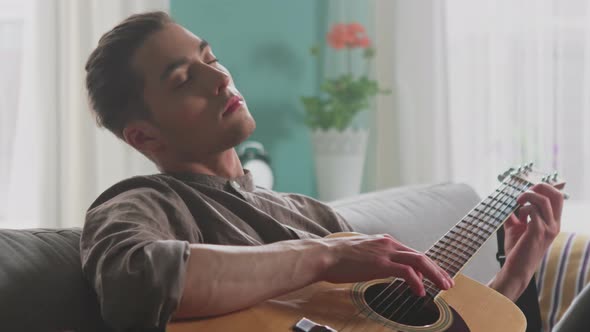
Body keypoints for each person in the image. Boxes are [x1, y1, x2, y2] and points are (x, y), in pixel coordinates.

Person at [81, 11, 565, 331]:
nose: (221, 77)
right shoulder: (144, 202)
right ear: (144, 137)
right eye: (186, 78)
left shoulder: (311, 215)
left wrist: (515, 277)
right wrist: (324, 258)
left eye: (210, 58)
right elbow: (136, 282)